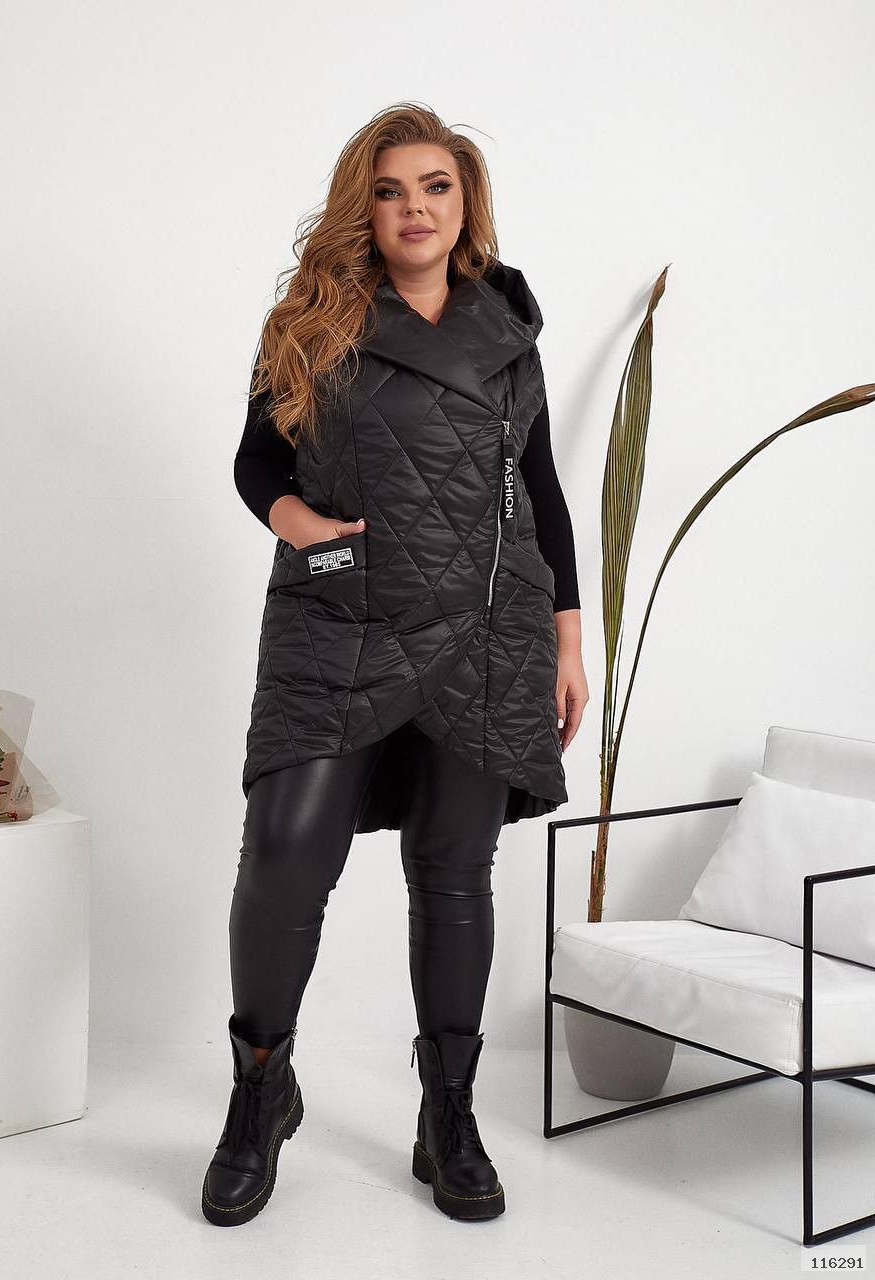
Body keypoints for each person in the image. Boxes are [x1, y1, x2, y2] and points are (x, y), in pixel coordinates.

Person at [201, 102, 590, 1227]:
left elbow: (542, 487)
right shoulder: (311, 320)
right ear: (361, 209)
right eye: (389, 190)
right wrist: (302, 527)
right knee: (283, 857)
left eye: (435, 186)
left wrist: (568, 640)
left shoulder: (507, 330)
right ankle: (261, 1092)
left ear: (465, 204)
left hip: (487, 630)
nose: (414, 208)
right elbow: (257, 461)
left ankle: (448, 1112)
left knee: (454, 871)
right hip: (339, 623)